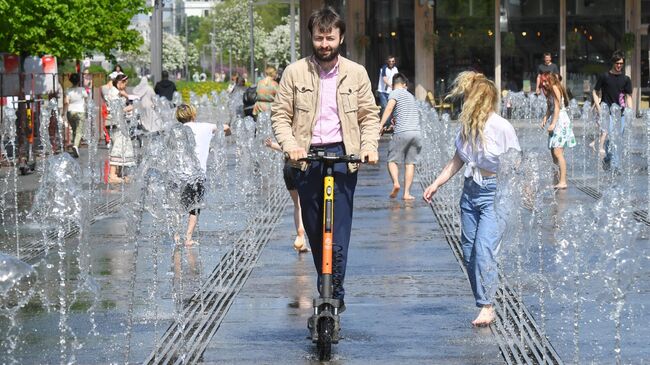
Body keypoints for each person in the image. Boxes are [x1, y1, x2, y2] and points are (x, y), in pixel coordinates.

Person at [271, 6, 380, 311]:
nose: (324, 44)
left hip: (343, 157)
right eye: (319, 38)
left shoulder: (356, 73)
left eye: (330, 38)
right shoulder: (295, 72)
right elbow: (280, 115)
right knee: (315, 228)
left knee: (339, 229)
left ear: (340, 38)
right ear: (312, 38)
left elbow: (369, 116)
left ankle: (335, 290)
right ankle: (325, 279)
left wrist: (369, 145)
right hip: (307, 157)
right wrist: (290, 145)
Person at [422, 71, 520, 326]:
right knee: (469, 252)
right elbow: (457, 161)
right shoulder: (468, 127)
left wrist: (527, 192)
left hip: (495, 194)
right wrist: (435, 184)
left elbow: (516, 164)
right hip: (470, 193)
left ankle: (487, 306)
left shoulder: (502, 127)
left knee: (484, 248)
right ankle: (483, 299)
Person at [175, 104, 218, 245]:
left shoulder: (176, 130)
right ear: (193, 115)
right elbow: (224, 128)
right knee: (194, 207)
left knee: (179, 206)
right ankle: (188, 238)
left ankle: (176, 235)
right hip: (197, 175)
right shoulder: (204, 127)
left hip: (179, 174)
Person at [379, 73, 422, 200]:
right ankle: (407, 193)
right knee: (410, 163)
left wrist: (380, 124)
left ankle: (396, 183)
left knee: (392, 160)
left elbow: (389, 107)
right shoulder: (411, 96)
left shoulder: (395, 92)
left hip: (402, 132)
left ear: (393, 85)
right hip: (416, 133)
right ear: (405, 85)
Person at [264, 137, 309, 253]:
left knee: (297, 205)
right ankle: (301, 233)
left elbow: (284, 149)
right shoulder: (304, 138)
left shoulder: (289, 140)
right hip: (299, 168)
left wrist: (271, 145)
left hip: (288, 169)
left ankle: (301, 239)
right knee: (304, 204)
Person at [592, 50, 632, 168]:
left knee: (617, 139)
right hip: (608, 112)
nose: (619, 65)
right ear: (613, 63)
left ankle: (609, 159)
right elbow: (595, 91)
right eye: (617, 63)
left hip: (622, 114)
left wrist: (631, 112)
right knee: (611, 135)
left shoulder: (626, 79)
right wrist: (598, 107)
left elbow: (628, 96)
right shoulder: (604, 76)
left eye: (621, 63)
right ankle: (616, 166)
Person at [540, 72, 576, 189]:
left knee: (558, 152)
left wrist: (554, 123)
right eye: (543, 81)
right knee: (553, 152)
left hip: (560, 121)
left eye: (546, 81)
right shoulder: (549, 90)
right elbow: (549, 108)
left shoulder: (555, 87)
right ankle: (556, 179)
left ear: (551, 80)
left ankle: (563, 181)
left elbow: (557, 108)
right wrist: (545, 117)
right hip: (555, 120)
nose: (544, 83)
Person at [105, 74, 135, 184]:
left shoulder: (117, 92)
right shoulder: (113, 92)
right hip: (115, 123)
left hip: (118, 123)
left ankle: (120, 173)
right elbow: (116, 110)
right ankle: (112, 175)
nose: (125, 86)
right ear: (119, 83)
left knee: (123, 145)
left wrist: (125, 95)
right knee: (118, 146)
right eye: (124, 83)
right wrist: (129, 108)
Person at [62, 73, 88, 158]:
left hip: (70, 112)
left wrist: (63, 112)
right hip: (80, 111)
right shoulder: (82, 90)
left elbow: (66, 102)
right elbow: (86, 100)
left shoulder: (67, 90)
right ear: (79, 81)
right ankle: (76, 146)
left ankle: (75, 145)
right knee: (79, 131)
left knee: (74, 130)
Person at [377, 55, 399, 125]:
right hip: (383, 91)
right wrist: (391, 85)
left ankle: (390, 124)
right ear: (387, 61)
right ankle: (385, 124)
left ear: (394, 62)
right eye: (390, 61)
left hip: (391, 92)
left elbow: (397, 79)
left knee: (391, 107)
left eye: (393, 61)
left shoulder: (395, 69)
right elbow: (384, 79)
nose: (391, 63)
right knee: (385, 107)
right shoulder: (384, 68)